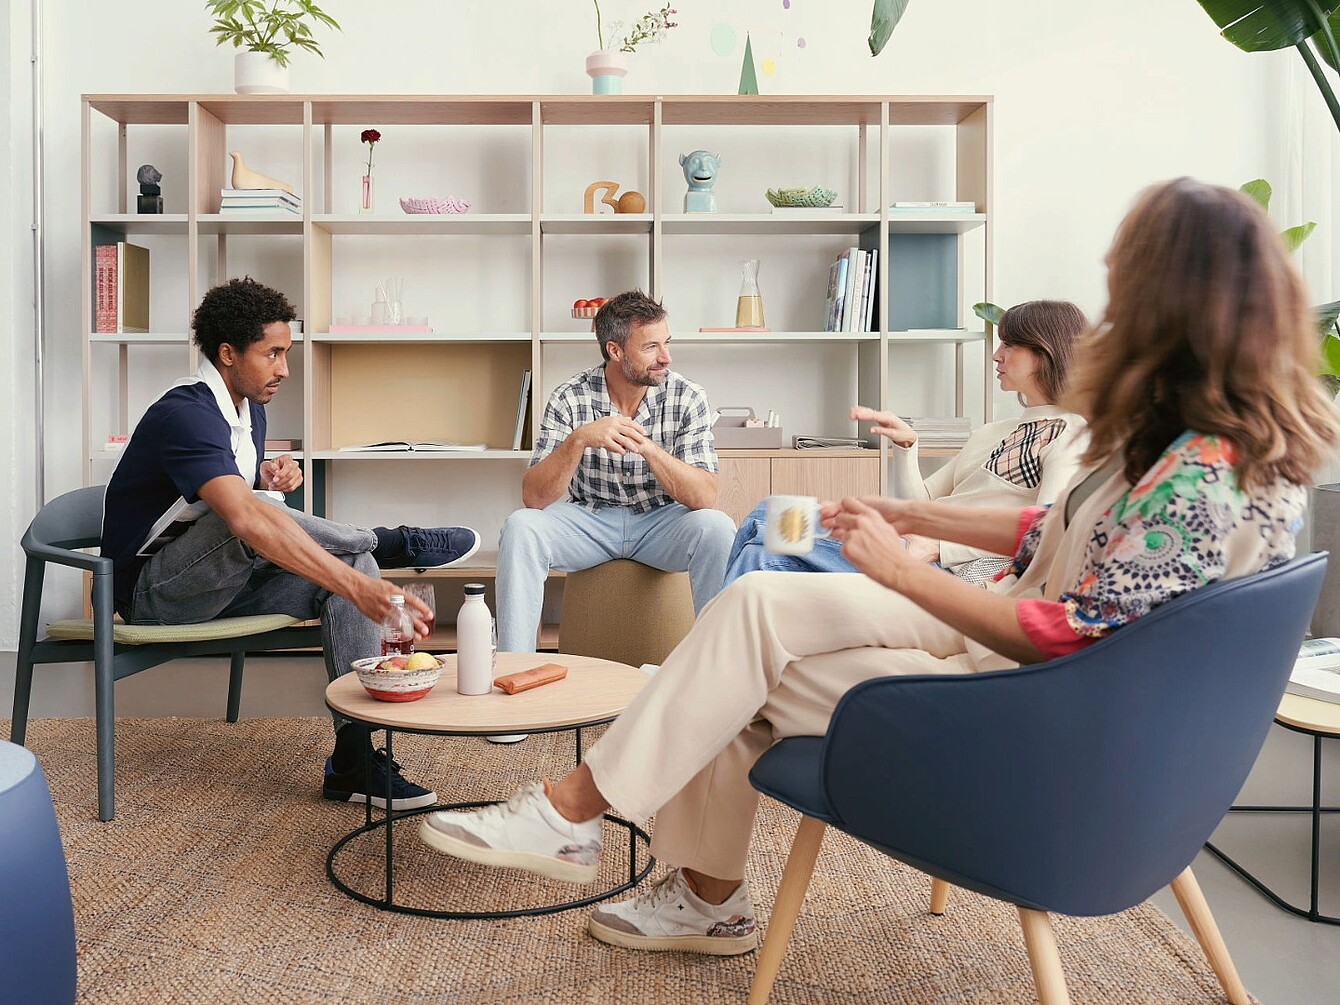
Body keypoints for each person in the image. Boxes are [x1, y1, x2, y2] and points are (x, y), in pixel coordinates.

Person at [416, 177, 1340, 957]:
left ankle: (610, 839)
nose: (1106, 314)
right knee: (753, 611)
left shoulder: (1199, 477)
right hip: (1029, 651)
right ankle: (656, 867)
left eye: (1121, 288)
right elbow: (1058, 536)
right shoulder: (1205, 444)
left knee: (733, 662)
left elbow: (1069, 634)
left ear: (1169, 305)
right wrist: (909, 511)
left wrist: (900, 567)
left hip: (1027, 707)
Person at [102, 277, 481, 811]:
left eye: (286, 353)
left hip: (220, 584)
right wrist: (354, 583)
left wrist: (265, 477)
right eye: (273, 353)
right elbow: (239, 521)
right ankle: (390, 539)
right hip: (154, 597)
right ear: (228, 353)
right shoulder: (184, 413)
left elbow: (219, 499)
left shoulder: (247, 410)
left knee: (352, 562)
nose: (284, 368)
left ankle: (353, 757)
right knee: (270, 529)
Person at [722, 300, 1089, 587]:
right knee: (766, 532)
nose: (997, 355)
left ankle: (703, 667)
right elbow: (918, 505)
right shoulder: (990, 432)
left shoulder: (1070, 435)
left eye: (1009, 345)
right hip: (910, 542)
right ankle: (716, 668)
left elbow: (1047, 530)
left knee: (765, 536)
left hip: (946, 570)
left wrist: (941, 547)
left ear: (1046, 351)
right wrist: (906, 447)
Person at [495, 289, 737, 655]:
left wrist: (649, 448)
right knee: (519, 527)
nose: (666, 357)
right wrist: (578, 441)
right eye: (651, 347)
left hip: (661, 523)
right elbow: (534, 497)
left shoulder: (688, 397)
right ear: (615, 350)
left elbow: (704, 497)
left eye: (666, 343)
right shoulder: (569, 396)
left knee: (718, 528)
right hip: (589, 521)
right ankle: (515, 666)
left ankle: (719, 666)